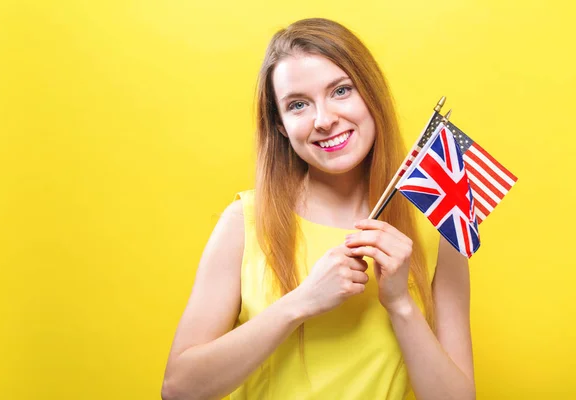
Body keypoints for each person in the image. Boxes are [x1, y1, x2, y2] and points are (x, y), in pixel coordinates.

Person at [161, 18, 475, 400]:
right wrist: (300, 303)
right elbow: (180, 389)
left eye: (341, 91)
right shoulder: (244, 222)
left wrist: (400, 303)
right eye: (298, 105)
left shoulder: (438, 222)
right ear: (280, 126)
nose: (324, 120)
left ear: (371, 95)